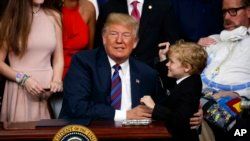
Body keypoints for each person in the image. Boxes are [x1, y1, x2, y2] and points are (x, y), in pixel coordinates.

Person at [59, 13, 158, 123]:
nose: (119, 40)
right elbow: (77, 106)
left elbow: (157, 111)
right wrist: (124, 115)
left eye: (126, 35)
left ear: (135, 42)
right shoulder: (84, 62)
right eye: (113, 34)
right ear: (104, 38)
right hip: (89, 133)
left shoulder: (147, 73)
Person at [0, 0, 64, 122]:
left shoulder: (54, 16)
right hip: (20, 90)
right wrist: (23, 79)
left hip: (47, 93)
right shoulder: (10, 20)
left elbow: (58, 58)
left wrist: (57, 79)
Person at [197, 0, 250, 140]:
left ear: (248, 11)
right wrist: (195, 47)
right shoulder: (214, 39)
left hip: (238, 103)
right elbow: (188, 63)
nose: (227, 17)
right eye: (224, 12)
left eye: (233, 11)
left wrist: (235, 95)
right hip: (202, 98)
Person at [141, 41, 207, 141]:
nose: (167, 64)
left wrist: (154, 107)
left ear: (187, 67)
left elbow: (180, 120)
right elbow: (170, 81)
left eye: (171, 61)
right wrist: (163, 58)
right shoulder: (189, 78)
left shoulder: (190, 88)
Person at [94, 0, 180, 68]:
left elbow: (172, 41)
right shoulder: (109, 7)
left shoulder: (163, 6)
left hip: (152, 70)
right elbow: (100, 42)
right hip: (117, 69)